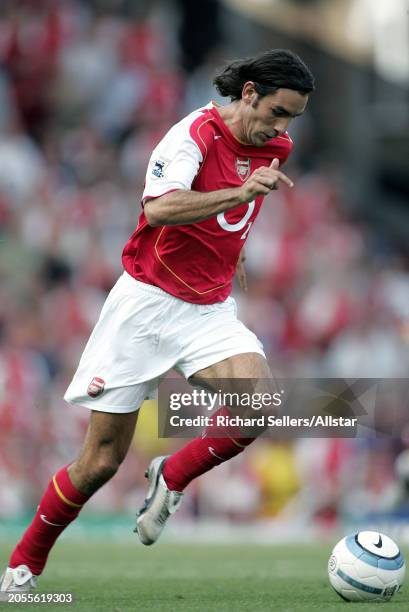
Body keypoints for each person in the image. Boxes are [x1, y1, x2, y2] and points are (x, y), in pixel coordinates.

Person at [0, 48, 314, 593]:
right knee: (100, 462)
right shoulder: (192, 134)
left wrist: (231, 247)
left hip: (208, 310)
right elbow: (158, 209)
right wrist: (237, 195)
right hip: (145, 305)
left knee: (259, 404)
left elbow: (236, 211)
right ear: (249, 94)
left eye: (293, 118)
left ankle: (172, 475)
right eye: (277, 112)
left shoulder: (275, 145)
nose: (283, 128)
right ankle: (23, 567)